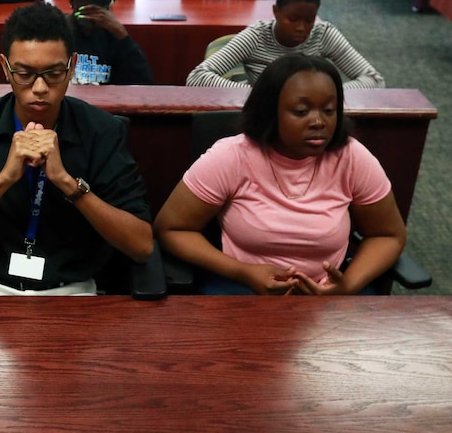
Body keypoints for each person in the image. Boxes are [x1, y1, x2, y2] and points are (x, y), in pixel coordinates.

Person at [0, 2, 153, 296]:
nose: (40, 87)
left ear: (72, 67)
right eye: (25, 73)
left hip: (74, 290)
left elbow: (142, 246)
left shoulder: (102, 131)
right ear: (5, 68)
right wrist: (3, 179)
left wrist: (67, 183)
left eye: (54, 73)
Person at [155, 53, 406, 295]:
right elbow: (172, 229)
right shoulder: (232, 156)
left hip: (329, 297)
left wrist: (348, 285)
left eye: (329, 111)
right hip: (241, 289)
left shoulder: (351, 157)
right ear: (270, 112)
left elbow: (388, 235)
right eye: (301, 111)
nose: (319, 121)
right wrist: (243, 272)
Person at [186, 0, 385, 89]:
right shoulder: (256, 36)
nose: (301, 27)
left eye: (309, 20)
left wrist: (330, 94)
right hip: (263, 119)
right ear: (276, 12)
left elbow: (375, 80)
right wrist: (256, 95)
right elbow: (197, 77)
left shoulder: (323, 34)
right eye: (293, 19)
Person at [62, 0, 152, 85]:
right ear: (72, 3)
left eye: (96, 14)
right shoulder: (59, 31)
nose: (89, 21)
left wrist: (122, 35)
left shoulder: (114, 36)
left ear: (109, 7)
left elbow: (143, 84)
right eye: (83, 14)